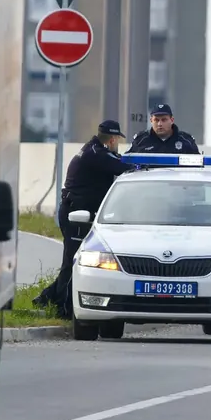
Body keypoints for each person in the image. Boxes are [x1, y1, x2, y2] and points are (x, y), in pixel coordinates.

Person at [34, 120, 136, 318]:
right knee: (73, 263)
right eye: (117, 141)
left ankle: (47, 299)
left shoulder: (95, 150)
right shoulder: (97, 155)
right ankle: (63, 310)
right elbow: (125, 167)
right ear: (113, 139)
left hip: (77, 213)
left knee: (75, 261)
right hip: (75, 216)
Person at [126, 103, 200, 154]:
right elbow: (127, 164)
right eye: (156, 120)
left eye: (164, 120)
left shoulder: (186, 141)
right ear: (151, 121)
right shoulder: (140, 141)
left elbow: (198, 166)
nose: (160, 124)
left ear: (172, 120)